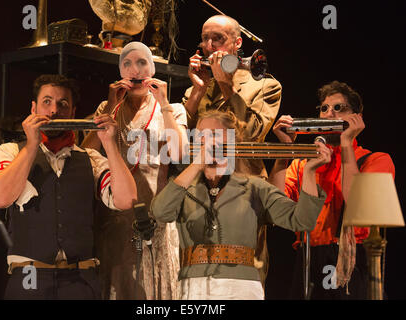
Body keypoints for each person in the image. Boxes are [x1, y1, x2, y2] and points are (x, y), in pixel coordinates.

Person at [0, 74, 137, 299]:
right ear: (33, 108)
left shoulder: (90, 158)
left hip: (80, 280)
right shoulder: (11, 152)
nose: (54, 110)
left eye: (62, 104)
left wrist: (109, 144)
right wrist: (31, 146)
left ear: (73, 112)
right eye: (46, 102)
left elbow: (126, 200)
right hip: (30, 275)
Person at [151, 110, 330, 300]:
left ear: (232, 142)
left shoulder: (255, 187)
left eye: (214, 135)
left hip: (241, 288)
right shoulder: (183, 186)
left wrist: (310, 173)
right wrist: (195, 165)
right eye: (201, 136)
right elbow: (160, 212)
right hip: (193, 287)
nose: (207, 142)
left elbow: (301, 221)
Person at [268, 80, 395, 299]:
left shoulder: (376, 160)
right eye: (324, 108)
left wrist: (346, 144)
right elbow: (275, 209)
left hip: (351, 257)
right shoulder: (303, 164)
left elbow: (358, 206)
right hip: (307, 257)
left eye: (339, 108)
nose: (329, 114)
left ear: (358, 118)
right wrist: (284, 149)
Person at [81, 41, 188, 300]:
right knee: (118, 284)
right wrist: (109, 107)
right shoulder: (107, 109)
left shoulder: (173, 110)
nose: (135, 70)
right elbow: (85, 156)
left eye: (142, 63)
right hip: (116, 218)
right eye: (127, 64)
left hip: (156, 217)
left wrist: (164, 104)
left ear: (152, 68)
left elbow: (180, 154)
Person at [182, 15, 282, 284]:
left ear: (238, 43)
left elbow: (251, 134)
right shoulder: (202, 84)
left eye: (218, 39)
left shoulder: (265, 85)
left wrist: (226, 84)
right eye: (205, 39)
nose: (210, 45)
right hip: (200, 190)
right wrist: (197, 92)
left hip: (243, 191)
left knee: (246, 269)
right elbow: (181, 139)